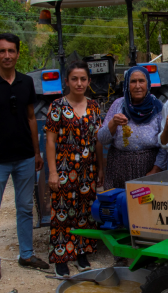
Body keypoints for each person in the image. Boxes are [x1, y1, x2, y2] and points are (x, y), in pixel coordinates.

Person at [0, 33, 49, 281]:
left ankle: (26, 255)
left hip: (25, 157)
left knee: (25, 208)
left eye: (11, 51)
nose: (7, 55)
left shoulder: (26, 83)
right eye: (2, 51)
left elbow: (31, 118)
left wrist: (37, 152)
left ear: (17, 54)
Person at [44, 61, 103, 277]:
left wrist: (100, 168)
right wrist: (52, 171)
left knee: (85, 211)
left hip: (88, 168)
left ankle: (81, 252)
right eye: (74, 79)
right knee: (62, 211)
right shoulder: (57, 106)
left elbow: (98, 141)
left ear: (89, 81)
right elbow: (50, 141)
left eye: (83, 79)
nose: (79, 83)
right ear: (66, 81)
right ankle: (62, 258)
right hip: (64, 165)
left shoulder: (94, 106)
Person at [98, 66, 167, 189]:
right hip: (117, 170)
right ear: (127, 85)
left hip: (147, 170)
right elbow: (102, 139)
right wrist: (113, 123)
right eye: (133, 81)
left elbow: (166, 144)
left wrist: (156, 170)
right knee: (119, 204)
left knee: (145, 206)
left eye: (141, 81)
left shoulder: (158, 107)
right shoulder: (118, 105)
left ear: (148, 84)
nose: (137, 86)